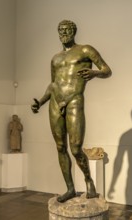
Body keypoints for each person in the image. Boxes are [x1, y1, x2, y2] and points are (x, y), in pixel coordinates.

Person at [31, 20, 112, 203]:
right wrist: (41, 102)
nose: (64, 32)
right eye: (61, 30)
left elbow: (107, 70)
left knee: (75, 148)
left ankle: (88, 180)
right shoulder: (55, 58)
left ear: (74, 31)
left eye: (67, 29)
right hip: (55, 103)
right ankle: (70, 188)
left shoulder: (85, 50)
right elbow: (53, 85)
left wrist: (95, 73)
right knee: (60, 147)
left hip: (75, 100)